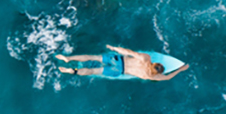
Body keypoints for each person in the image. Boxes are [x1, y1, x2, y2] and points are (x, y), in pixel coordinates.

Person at [55, 46, 188, 81]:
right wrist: (180, 69)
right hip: (119, 71)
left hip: (118, 60)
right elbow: (168, 77)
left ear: (155, 63)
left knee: (92, 57)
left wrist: (114, 48)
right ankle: (75, 71)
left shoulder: (145, 58)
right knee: (94, 71)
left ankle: (68, 59)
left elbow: (128, 51)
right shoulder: (152, 77)